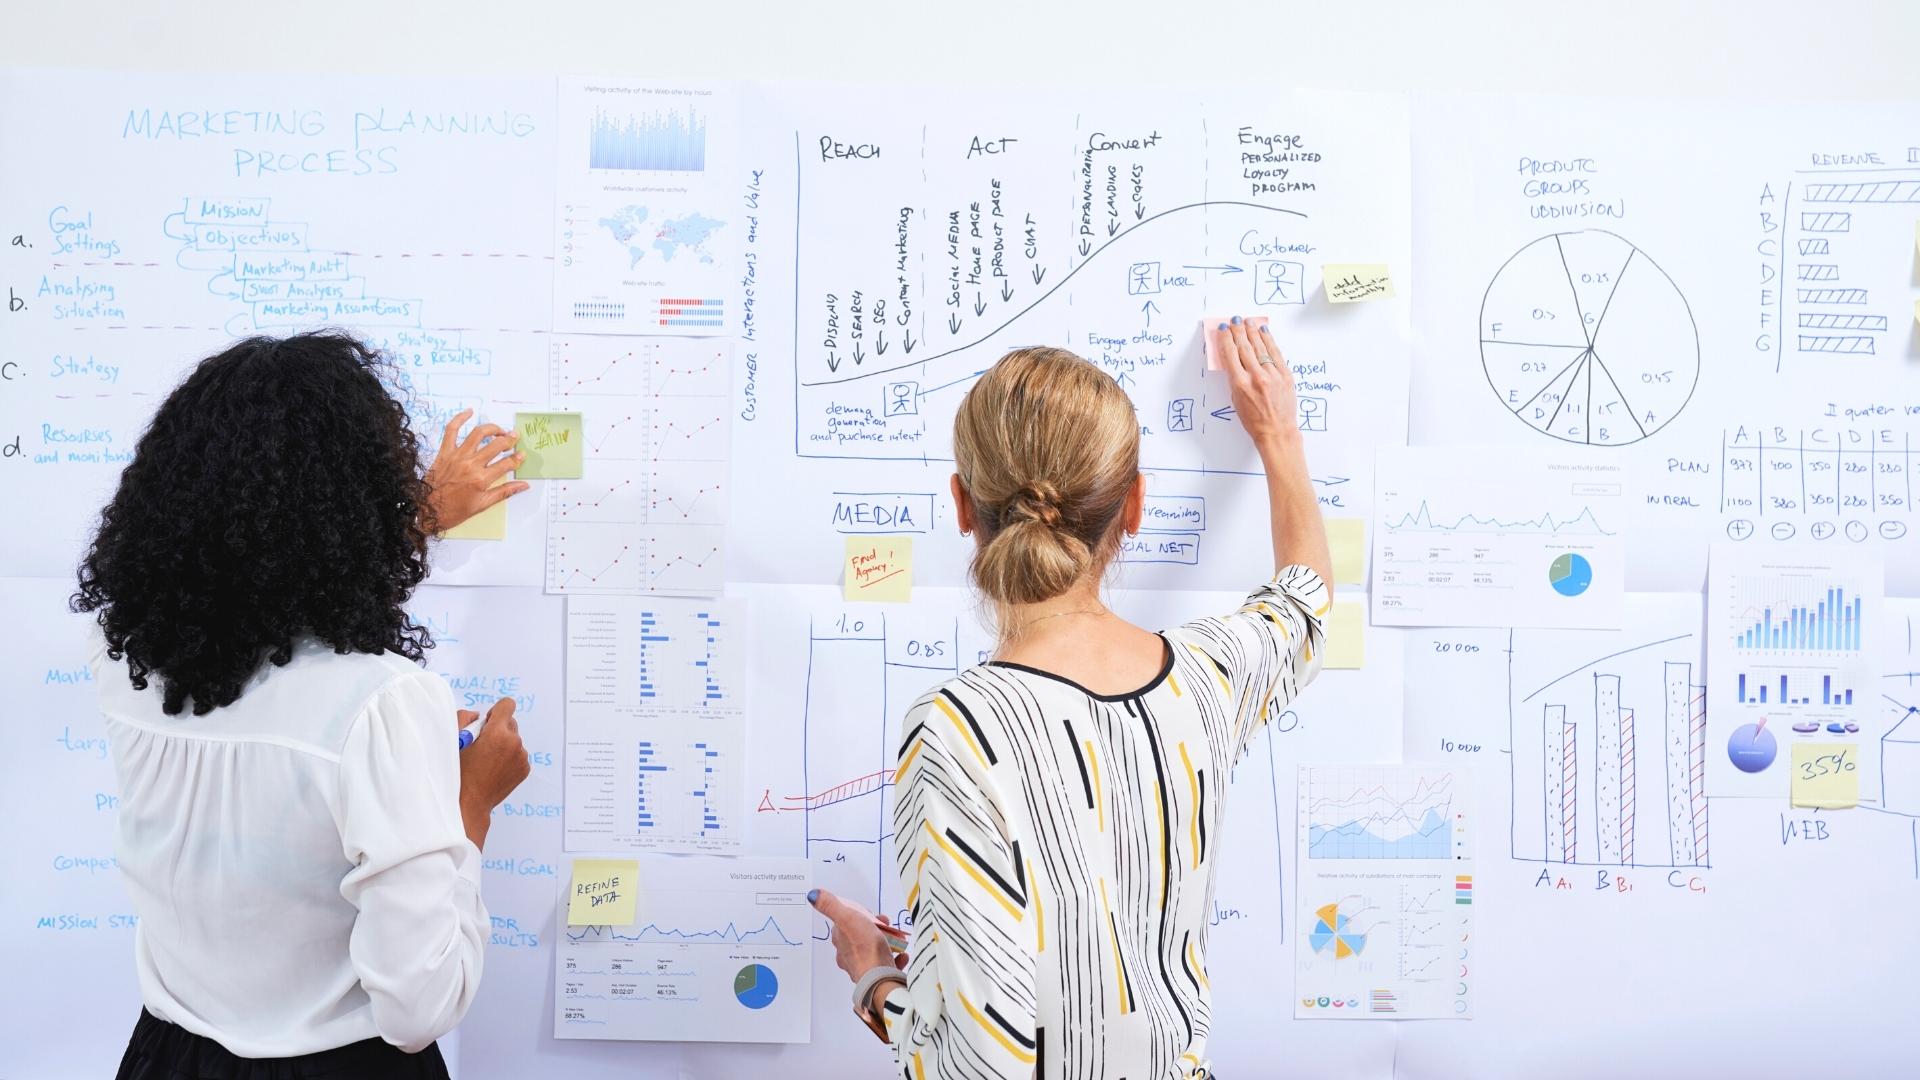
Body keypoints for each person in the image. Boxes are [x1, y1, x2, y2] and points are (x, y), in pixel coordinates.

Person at [810, 317, 1331, 1078]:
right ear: (1136, 505)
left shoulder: (959, 729)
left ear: (962, 507)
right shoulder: (1208, 678)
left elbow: (977, 1061)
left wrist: (874, 977)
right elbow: (1305, 604)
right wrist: (1279, 435)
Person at [72, 331, 535, 1079]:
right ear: (360, 503)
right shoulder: (384, 703)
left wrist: (413, 524)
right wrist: (468, 804)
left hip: (168, 1057)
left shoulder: (121, 649)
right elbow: (418, 1010)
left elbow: (257, 603)